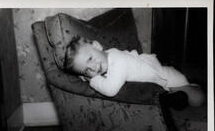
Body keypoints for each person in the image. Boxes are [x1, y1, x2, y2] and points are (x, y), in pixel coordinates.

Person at [64, 36, 205, 108]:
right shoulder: (106, 58)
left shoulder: (118, 61)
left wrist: (92, 79)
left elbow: (110, 89)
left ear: (97, 46)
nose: (93, 68)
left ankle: (195, 86)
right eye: (86, 70)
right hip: (156, 84)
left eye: (90, 59)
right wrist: (85, 76)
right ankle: (174, 98)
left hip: (165, 76)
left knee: (197, 99)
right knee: (174, 97)